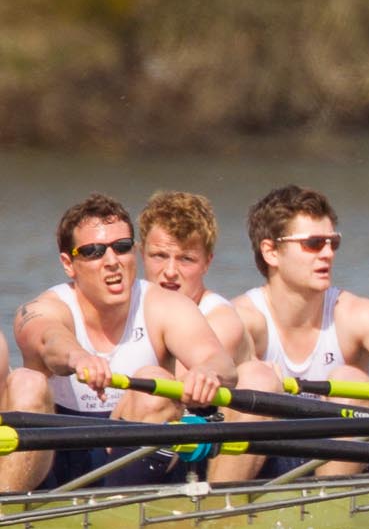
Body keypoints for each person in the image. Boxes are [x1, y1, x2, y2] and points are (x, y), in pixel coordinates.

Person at [6, 194, 241, 493]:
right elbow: (48, 338)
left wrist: (207, 372)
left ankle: (117, 521)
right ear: (69, 263)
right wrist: (78, 357)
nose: (112, 262)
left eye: (122, 247)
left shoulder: (165, 305)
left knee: (153, 382)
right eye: (93, 252)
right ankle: (7, 514)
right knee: (26, 382)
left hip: (136, 453)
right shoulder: (48, 306)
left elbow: (221, 363)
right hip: (56, 454)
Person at [233, 185, 369, 478]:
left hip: (344, 465)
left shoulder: (352, 313)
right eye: (313, 243)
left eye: (333, 243)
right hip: (263, 462)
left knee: (350, 380)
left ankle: (327, 513)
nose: (327, 254)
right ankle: (217, 512)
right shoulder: (242, 318)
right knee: (255, 379)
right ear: (271, 252)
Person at [138, 190, 252, 365]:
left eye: (186, 259)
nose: (170, 272)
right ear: (141, 253)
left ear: (207, 262)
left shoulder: (221, 321)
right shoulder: (123, 306)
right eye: (159, 256)